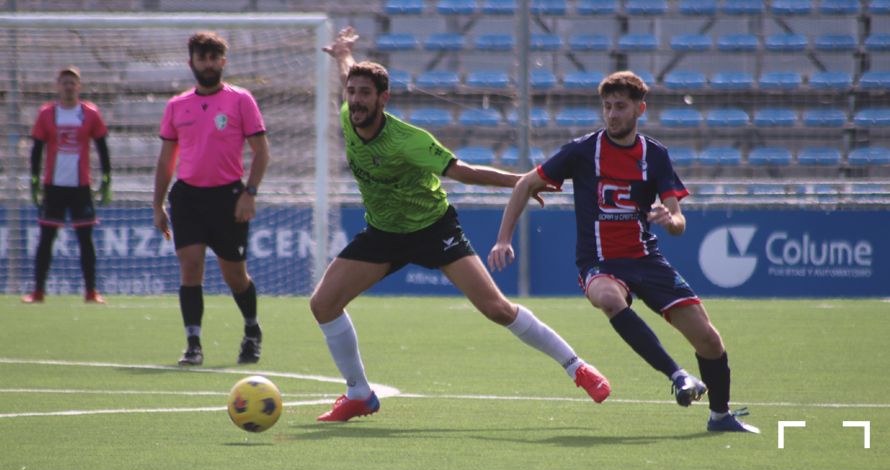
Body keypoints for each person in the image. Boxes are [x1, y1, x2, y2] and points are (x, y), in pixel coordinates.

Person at [312, 27, 610, 422]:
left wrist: (522, 181)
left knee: (497, 309)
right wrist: (342, 57)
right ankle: (359, 393)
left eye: (366, 94)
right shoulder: (350, 117)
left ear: (384, 99)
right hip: (383, 233)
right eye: (352, 92)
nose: (356, 100)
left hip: (433, 230)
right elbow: (350, 74)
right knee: (323, 304)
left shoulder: (408, 140)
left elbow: (465, 172)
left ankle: (577, 367)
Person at [489, 71, 759, 433]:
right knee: (608, 297)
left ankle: (720, 416)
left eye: (620, 106)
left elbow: (678, 222)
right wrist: (504, 238)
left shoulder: (654, 155)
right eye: (607, 107)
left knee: (708, 339)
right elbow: (526, 182)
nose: (612, 114)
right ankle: (678, 375)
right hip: (599, 263)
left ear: (639, 109)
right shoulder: (583, 151)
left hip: (647, 259)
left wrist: (669, 218)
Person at [152, 31, 270, 366]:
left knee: (234, 275)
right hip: (187, 197)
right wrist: (157, 204)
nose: (207, 64)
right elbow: (166, 160)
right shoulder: (177, 105)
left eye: (213, 57)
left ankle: (251, 330)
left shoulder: (240, 100)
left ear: (223, 61)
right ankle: (193, 343)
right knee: (191, 267)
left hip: (228, 197)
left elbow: (261, 152)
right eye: (201, 58)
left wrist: (250, 193)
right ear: (191, 63)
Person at [22, 65, 112, 304]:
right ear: (57, 86)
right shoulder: (46, 114)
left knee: (86, 240)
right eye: (64, 82)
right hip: (54, 186)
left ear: (78, 86)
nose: (68, 86)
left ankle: (91, 292)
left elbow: (102, 146)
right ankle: (38, 291)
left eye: (72, 82)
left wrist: (106, 178)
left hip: (81, 187)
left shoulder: (90, 113)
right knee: (46, 238)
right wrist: (34, 180)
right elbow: (37, 149)